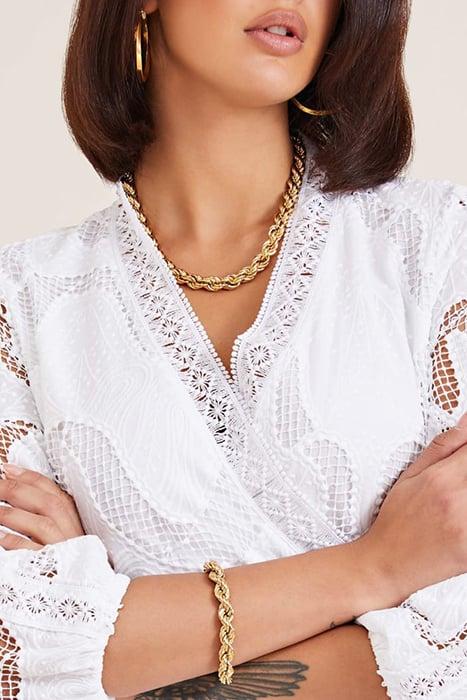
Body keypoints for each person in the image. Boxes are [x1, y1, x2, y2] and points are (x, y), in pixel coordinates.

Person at [0, 0, 466, 698]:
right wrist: (378, 567)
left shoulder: (437, 248)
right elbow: (15, 649)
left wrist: (117, 644)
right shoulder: (22, 303)